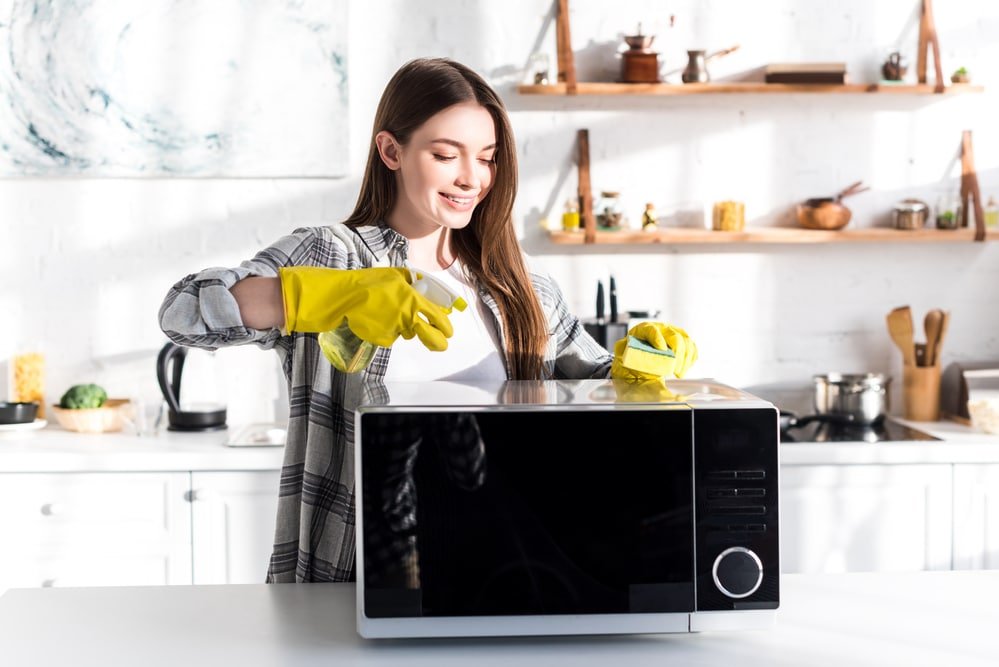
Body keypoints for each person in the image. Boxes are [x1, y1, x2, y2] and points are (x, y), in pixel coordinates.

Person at [158, 57, 696, 584]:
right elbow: (182, 313)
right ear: (391, 151)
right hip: (362, 569)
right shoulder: (336, 255)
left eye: (486, 158)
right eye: (445, 154)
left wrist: (638, 367)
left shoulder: (521, 287)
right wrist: (323, 295)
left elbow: (597, 388)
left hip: (501, 570)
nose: (471, 178)